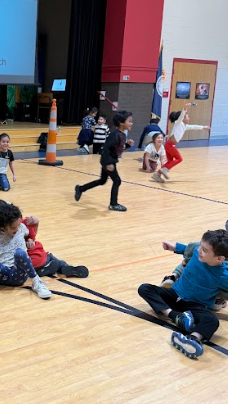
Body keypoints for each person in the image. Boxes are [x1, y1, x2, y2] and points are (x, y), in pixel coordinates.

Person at [138, 230, 228, 359]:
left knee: (212, 320)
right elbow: (188, 249)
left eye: (204, 250)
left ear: (219, 258)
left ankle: (193, 339)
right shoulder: (197, 253)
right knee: (145, 288)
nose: (199, 251)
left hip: (195, 306)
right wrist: (174, 247)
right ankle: (175, 316)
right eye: (201, 247)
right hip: (174, 294)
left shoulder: (223, 276)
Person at [0, 200, 89, 278]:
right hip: (33, 255)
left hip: (27, 260)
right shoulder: (21, 223)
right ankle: (60, 266)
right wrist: (36, 224)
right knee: (48, 256)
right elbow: (32, 234)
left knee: (38, 258)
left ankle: (48, 268)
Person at [74, 110, 134, 212]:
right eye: (129, 121)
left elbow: (118, 149)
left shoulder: (122, 135)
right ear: (121, 122)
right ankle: (113, 204)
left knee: (102, 181)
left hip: (109, 160)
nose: (131, 123)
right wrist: (109, 163)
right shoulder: (115, 135)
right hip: (107, 160)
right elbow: (105, 148)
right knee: (117, 180)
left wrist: (127, 145)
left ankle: (80, 189)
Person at [160, 103, 210, 179]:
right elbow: (181, 117)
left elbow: (194, 127)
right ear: (183, 118)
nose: (189, 118)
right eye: (187, 116)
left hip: (169, 145)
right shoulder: (178, 123)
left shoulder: (184, 126)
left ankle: (157, 175)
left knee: (170, 161)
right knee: (179, 159)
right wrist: (185, 109)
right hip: (170, 145)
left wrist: (203, 127)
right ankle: (165, 169)